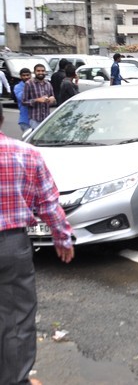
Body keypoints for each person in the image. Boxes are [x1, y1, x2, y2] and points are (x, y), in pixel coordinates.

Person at [0, 104, 74, 385]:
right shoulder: (25, 153)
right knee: (16, 318)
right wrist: (62, 237)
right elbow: (47, 202)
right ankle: (15, 380)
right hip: (10, 245)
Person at [22, 64, 56, 129]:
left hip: (46, 118)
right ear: (34, 72)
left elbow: (53, 101)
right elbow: (24, 101)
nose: (40, 73)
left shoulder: (48, 84)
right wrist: (37, 100)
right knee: (34, 139)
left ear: (45, 72)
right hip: (34, 118)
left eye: (42, 71)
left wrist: (52, 100)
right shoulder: (29, 84)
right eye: (38, 71)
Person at [14, 67, 32, 132]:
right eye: (24, 75)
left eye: (27, 75)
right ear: (20, 76)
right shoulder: (17, 87)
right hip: (25, 119)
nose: (26, 77)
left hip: (36, 118)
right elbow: (22, 98)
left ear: (31, 75)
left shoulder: (35, 84)